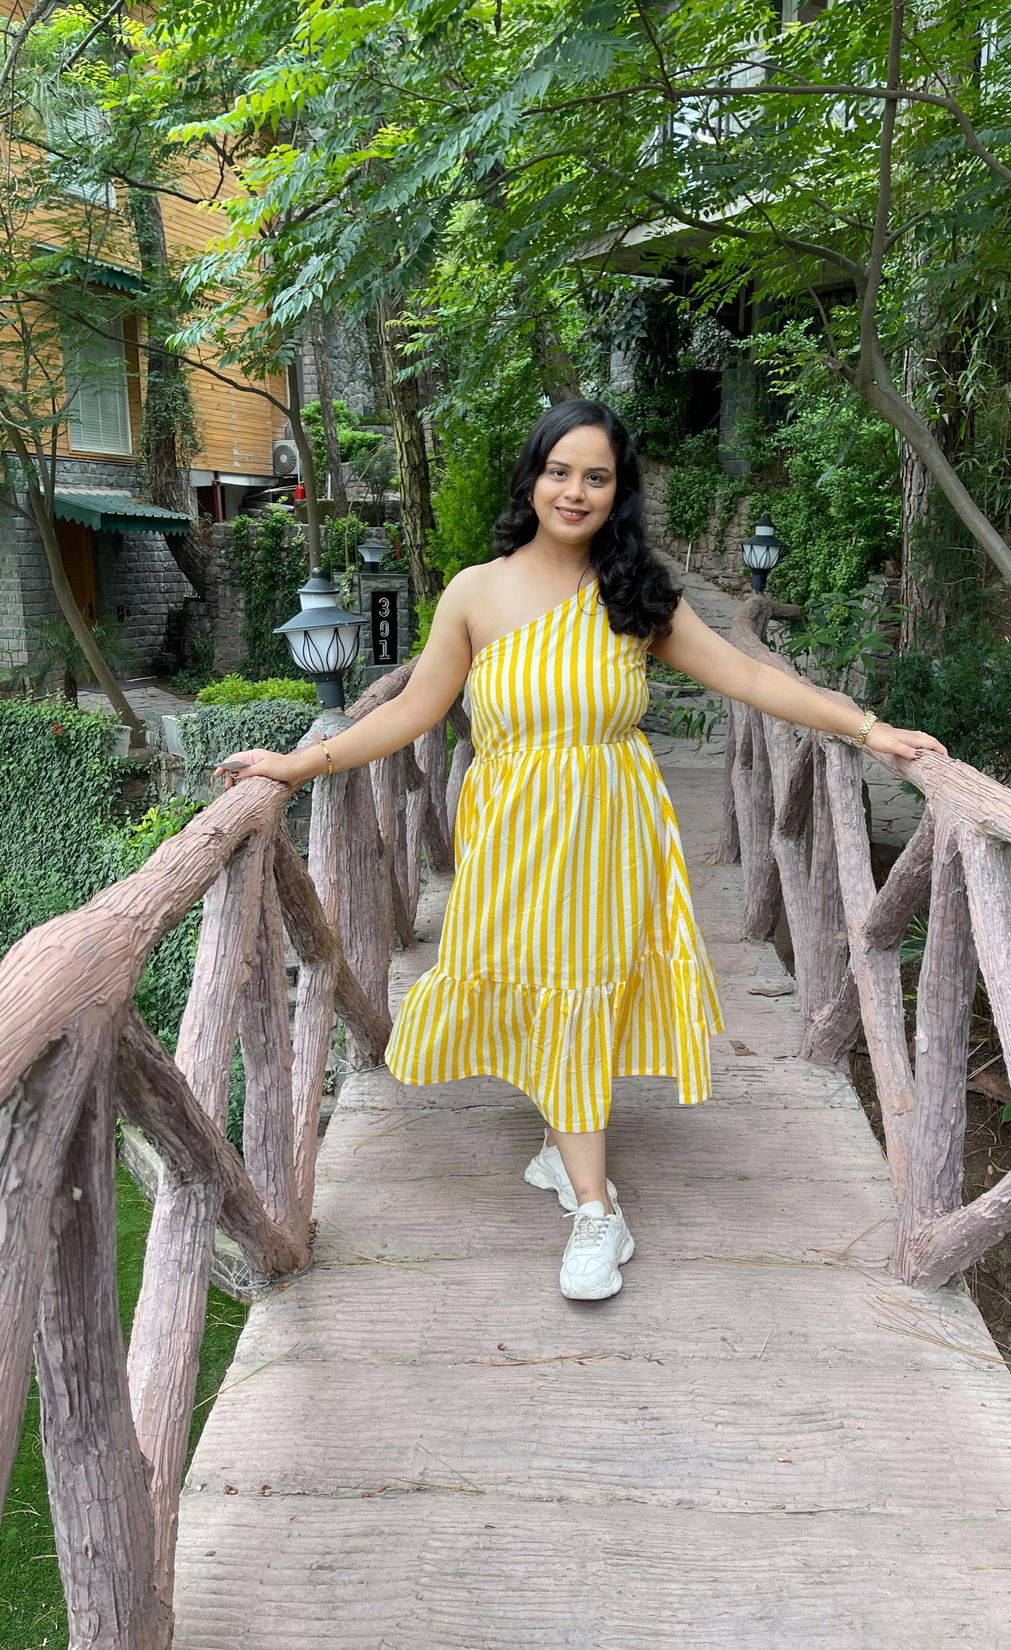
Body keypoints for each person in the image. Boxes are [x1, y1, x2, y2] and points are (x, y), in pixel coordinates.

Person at [216, 399, 946, 1302]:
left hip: (609, 839)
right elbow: (411, 710)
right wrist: (297, 764)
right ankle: (567, 1151)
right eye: (560, 471)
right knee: (538, 992)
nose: (575, 491)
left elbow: (750, 676)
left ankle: (597, 1209)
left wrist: (868, 728)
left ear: (617, 492)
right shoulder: (475, 593)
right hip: (512, 844)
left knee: (580, 995)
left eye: (596, 477)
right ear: (532, 478)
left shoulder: (634, 593)